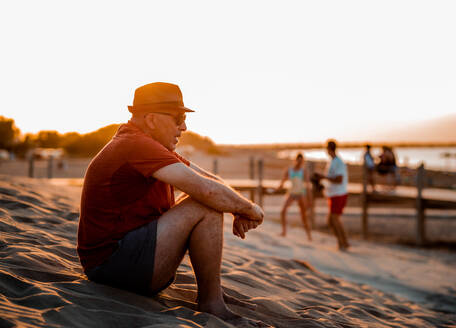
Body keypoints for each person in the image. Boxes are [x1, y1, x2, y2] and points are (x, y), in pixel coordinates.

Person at [77, 82, 266, 326]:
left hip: (120, 262)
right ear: (153, 119)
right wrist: (252, 211)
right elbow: (207, 190)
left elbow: (207, 179)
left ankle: (213, 291)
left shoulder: (145, 143)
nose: (184, 127)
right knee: (203, 204)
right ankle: (212, 304)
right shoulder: (135, 145)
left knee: (205, 198)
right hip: (113, 267)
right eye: (178, 118)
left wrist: (239, 206)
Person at [314, 140, 350, 250]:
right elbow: (332, 178)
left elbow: (339, 179)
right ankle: (343, 242)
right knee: (332, 220)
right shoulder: (332, 161)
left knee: (333, 219)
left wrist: (323, 177)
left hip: (338, 194)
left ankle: (342, 243)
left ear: (329, 149)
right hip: (334, 194)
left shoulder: (338, 162)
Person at [276, 153, 312, 240]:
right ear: (295, 160)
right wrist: (277, 188)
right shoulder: (289, 170)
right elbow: (283, 182)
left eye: (301, 161)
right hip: (291, 193)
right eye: (298, 160)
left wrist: (309, 198)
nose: (299, 162)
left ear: (302, 161)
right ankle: (284, 232)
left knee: (303, 216)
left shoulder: (304, 171)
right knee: (283, 211)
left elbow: (307, 186)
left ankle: (309, 235)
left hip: (300, 194)